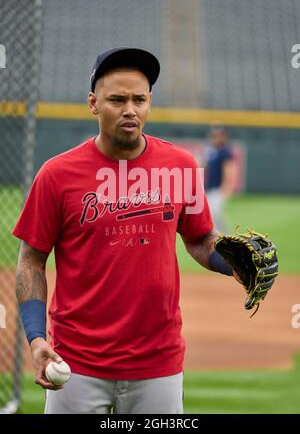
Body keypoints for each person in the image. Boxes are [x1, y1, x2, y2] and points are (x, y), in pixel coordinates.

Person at [13, 47, 238, 414]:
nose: (130, 109)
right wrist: (37, 339)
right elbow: (30, 262)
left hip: (158, 363)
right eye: (117, 99)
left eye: (140, 99)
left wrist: (234, 262)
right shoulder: (57, 175)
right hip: (75, 365)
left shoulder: (182, 166)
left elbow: (199, 238)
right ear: (93, 103)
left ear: (150, 103)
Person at [203, 126, 236, 232]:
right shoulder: (210, 150)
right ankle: (220, 236)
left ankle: (225, 236)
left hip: (219, 188)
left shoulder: (224, 151)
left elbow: (228, 169)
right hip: (210, 187)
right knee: (211, 214)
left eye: (219, 136)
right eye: (214, 136)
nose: (216, 138)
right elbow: (204, 166)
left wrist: (227, 186)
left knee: (214, 212)